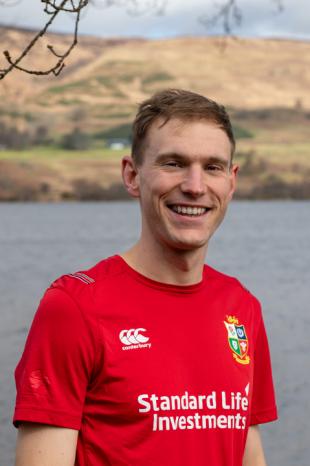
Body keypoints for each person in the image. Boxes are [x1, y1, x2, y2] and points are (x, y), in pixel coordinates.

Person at [13, 89, 277, 466]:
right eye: (173, 163)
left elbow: (248, 449)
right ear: (132, 175)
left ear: (231, 181)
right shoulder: (74, 307)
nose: (195, 186)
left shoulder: (241, 307)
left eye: (213, 167)